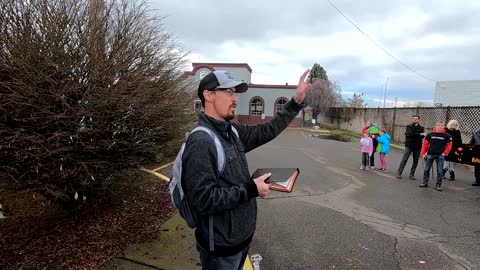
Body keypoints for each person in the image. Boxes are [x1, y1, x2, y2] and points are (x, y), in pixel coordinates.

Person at [182, 69, 311, 269]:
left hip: (240, 239)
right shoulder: (201, 142)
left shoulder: (231, 131)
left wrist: (296, 101)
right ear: (208, 95)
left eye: (235, 93)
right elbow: (203, 200)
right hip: (221, 248)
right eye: (229, 92)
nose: (235, 99)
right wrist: (251, 188)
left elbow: (267, 130)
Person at [419, 121, 452, 191]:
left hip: (440, 155)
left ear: (443, 126)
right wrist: (423, 153)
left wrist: (445, 153)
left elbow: (449, 145)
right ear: (435, 126)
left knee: (440, 171)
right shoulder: (430, 134)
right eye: (438, 125)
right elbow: (425, 144)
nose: (440, 127)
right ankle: (425, 183)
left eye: (441, 125)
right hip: (430, 154)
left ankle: (438, 185)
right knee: (426, 169)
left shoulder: (447, 136)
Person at [396, 115, 426, 180]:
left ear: (418, 120)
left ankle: (412, 174)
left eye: (416, 119)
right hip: (409, 145)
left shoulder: (421, 128)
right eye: (413, 119)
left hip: (417, 146)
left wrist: (419, 135)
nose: (415, 120)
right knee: (404, 159)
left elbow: (422, 136)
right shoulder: (408, 126)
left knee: (416, 161)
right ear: (412, 119)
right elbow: (409, 134)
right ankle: (399, 173)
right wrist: (419, 134)